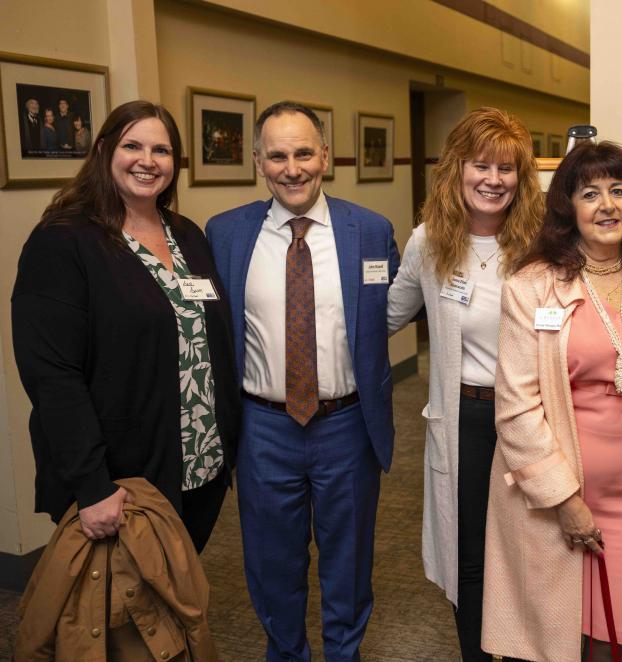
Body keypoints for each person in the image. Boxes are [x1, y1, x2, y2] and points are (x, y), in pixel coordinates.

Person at [206, 101, 400, 662]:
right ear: (258, 162)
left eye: (304, 153)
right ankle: (285, 653)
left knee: (350, 561)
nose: (292, 169)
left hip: (347, 425)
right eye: (278, 156)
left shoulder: (370, 231)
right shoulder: (225, 235)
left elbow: (394, 309)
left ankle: (345, 653)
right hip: (264, 428)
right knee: (272, 564)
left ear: (325, 156)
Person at [12, 100, 240, 554]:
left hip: (199, 463)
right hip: (120, 476)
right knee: (117, 611)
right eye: (131, 145)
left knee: (175, 593)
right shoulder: (63, 241)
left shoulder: (187, 235)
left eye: (162, 150)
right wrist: (92, 484)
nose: (147, 161)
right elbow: (53, 376)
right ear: (102, 151)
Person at [482, 141, 622, 662]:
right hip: (555, 497)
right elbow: (516, 408)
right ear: (569, 208)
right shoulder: (532, 285)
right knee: (557, 638)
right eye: (590, 193)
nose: (607, 205)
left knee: (620, 638)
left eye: (618, 190)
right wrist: (565, 500)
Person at [387, 107, 543, 661]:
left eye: (507, 170)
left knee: (530, 551)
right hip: (464, 421)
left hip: (531, 422)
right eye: (481, 165)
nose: (493, 180)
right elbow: (386, 316)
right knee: (469, 555)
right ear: (457, 169)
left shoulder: (542, 243)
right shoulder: (430, 242)